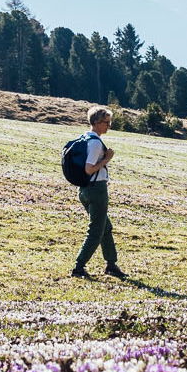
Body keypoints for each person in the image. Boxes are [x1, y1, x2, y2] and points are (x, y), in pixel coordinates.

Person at [73, 106, 126, 279]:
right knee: (96, 231)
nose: (108, 126)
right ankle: (78, 267)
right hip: (96, 190)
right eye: (106, 122)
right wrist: (107, 159)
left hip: (85, 190)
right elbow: (89, 169)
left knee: (106, 227)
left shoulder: (86, 137)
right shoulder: (95, 143)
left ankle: (111, 264)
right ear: (96, 122)